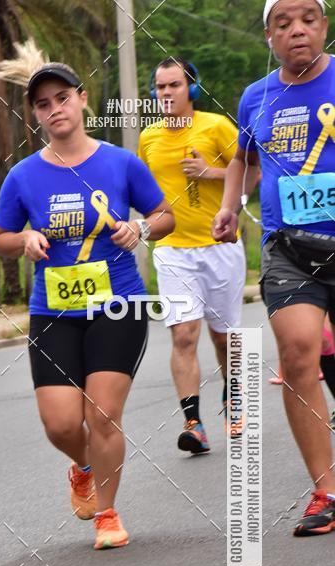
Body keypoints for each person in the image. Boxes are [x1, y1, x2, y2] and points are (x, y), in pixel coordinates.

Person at [0, 44, 174, 549]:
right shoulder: (23, 176)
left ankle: (109, 514)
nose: (55, 108)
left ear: (82, 100)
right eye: (44, 103)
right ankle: (83, 466)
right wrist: (24, 240)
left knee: (102, 414)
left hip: (118, 304)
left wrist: (141, 228)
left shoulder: (121, 163)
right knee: (60, 423)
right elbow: (1, 238)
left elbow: (165, 216)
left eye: (62, 97)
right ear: (36, 114)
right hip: (54, 310)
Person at [213, 0, 335, 536]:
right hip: (289, 248)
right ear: (268, 35)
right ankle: (326, 489)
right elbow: (244, 156)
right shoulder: (256, 97)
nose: (297, 30)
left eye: (307, 18)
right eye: (282, 23)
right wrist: (227, 204)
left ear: (324, 25)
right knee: (297, 352)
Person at [139, 57, 248, 455]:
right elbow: (146, 193)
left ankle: (233, 400)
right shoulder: (148, 138)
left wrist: (212, 174)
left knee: (225, 338)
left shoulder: (217, 126)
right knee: (183, 335)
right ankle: (193, 423)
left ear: (192, 89)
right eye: (160, 86)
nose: (166, 93)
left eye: (174, 86)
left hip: (220, 246)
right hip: (173, 251)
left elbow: (253, 171)